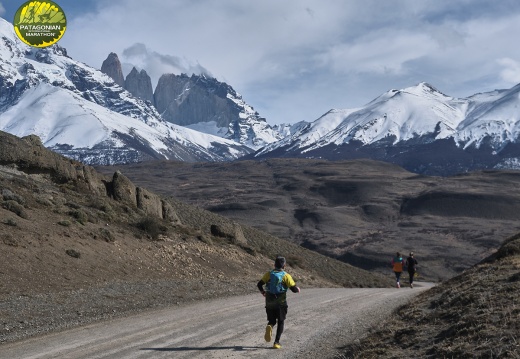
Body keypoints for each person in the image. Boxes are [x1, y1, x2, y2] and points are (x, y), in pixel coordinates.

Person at [257, 256, 300, 349]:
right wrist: (298, 289)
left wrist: (263, 292)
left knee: (272, 320)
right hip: (281, 303)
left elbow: (259, 284)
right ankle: (276, 342)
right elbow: (293, 289)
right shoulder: (286, 276)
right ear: (284, 265)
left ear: (274, 264)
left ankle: (270, 325)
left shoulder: (268, 274)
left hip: (269, 302)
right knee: (281, 321)